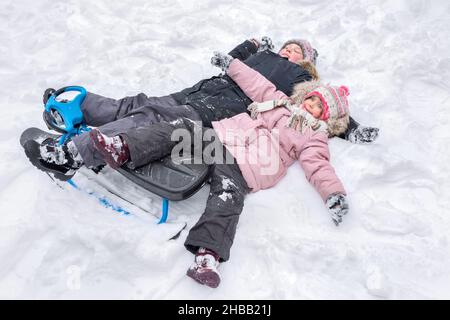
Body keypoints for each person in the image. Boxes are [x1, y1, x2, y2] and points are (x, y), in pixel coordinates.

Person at [77, 55, 352, 288]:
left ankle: (208, 256)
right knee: (181, 129)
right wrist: (232, 64)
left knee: (227, 199)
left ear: (326, 119)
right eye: (312, 100)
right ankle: (123, 148)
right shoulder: (279, 102)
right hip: (221, 138)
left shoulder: (313, 136)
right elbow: (257, 83)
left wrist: (333, 193)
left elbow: (319, 165)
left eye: (320, 109)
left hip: (249, 165)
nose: (311, 108)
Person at [26, 37, 378, 180]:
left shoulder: (301, 79)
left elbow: (322, 106)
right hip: (197, 91)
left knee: (144, 119)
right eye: (287, 46)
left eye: (297, 51)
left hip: (217, 109)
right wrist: (251, 44)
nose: (289, 51)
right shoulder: (264, 55)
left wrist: (352, 127)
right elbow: (228, 61)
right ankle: (74, 106)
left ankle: (69, 156)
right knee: (138, 105)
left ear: (307, 62)